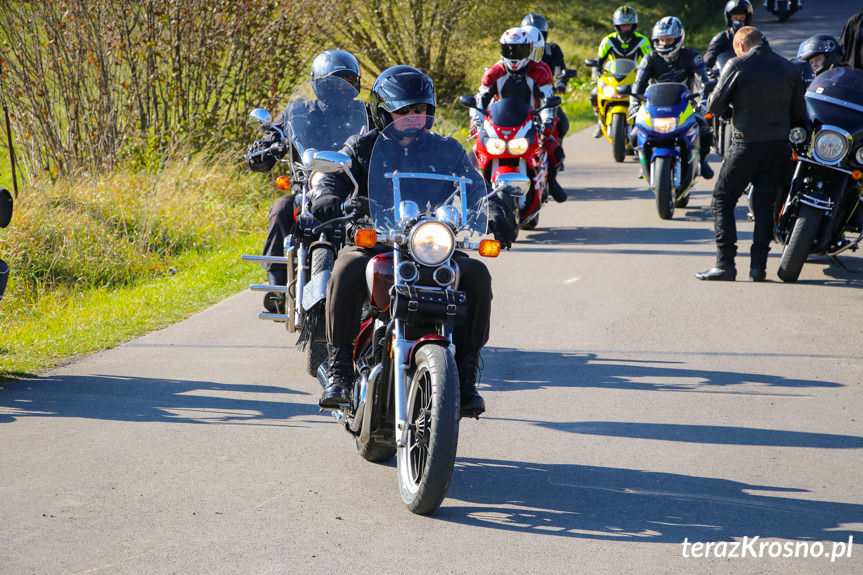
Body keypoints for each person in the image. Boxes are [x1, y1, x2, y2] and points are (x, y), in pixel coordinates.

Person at [314, 65, 515, 418]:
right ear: (383, 112)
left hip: (431, 244)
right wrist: (326, 195)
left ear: (430, 112)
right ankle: (340, 368)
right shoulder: (362, 146)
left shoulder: (448, 149)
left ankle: (466, 376)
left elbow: (477, 183)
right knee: (345, 266)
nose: (412, 117)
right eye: (403, 111)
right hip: (378, 238)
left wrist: (496, 209)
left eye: (419, 110)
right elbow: (335, 178)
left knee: (477, 275)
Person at [245, 49, 369, 313]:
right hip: (308, 188)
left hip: (353, 191)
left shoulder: (367, 114)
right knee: (281, 210)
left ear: (356, 83)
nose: (340, 88)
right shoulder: (298, 113)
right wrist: (262, 150)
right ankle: (277, 286)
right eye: (333, 82)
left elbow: (386, 141)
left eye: (347, 81)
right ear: (318, 85)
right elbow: (271, 141)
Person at [696, 26, 807, 282]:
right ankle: (758, 268)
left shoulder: (737, 65)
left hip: (746, 146)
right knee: (765, 207)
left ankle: (725, 264)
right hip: (778, 147)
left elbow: (714, 105)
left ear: (740, 46)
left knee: (722, 200)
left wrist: (731, 108)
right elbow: (799, 113)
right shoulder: (790, 68)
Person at [473, 27, 567, 203]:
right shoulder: (493, 72)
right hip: (499, 122)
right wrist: (476, 120)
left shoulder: (541, 70)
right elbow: (481, 98)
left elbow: (547, 98)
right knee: (474, 153)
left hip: (532, 120)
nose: (513, 54)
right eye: (508, 49)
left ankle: (552, 182)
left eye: (518, 50)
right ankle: (475, 193)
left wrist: (547, 120)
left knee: (554, 148)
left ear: (528, 50)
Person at [630, 16, 715, 179]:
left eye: (668, 39)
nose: (664, 43)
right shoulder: (650, 58)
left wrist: (704, 100)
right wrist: (634, 103)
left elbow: (703, 80)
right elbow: (638, 83)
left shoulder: (691, 56)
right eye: (661, 40)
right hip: (655, 107)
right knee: (635, 134)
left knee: (704, 131)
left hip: (685, 106)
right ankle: (645, 163)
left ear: (678, 38)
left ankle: (701, 161)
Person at [591, 5, 651, 138]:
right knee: (594, 94)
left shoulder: (642, 41)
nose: (625, 28)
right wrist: (596, 73)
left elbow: (651, 60)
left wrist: (649, 75)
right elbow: (598, 61)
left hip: (634, 77)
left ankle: (647, 125)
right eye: (623, 25)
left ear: (634, 25)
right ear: (617, 25)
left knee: (647, 98)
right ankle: (600, 122)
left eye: (628, 25)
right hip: (612, 77)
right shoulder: (608, 41)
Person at [522, 13, 574, 139]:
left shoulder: (552, 49)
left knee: (562, 125)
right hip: (519, 96)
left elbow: (559, 68)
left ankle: (556, 155)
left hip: (544, 96)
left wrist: (560, 83)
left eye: (539, 33)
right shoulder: (516, 51)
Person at [704, 0, 753, 74]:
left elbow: (768, 57)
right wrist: (704, 69)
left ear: (747, 18)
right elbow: (709, 57)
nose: (738, 21)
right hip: (728, 78)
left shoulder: (756, 37)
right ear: (729, 19)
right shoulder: (721, 38)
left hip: (752, 78)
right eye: (735, 17)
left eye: (741, 17)